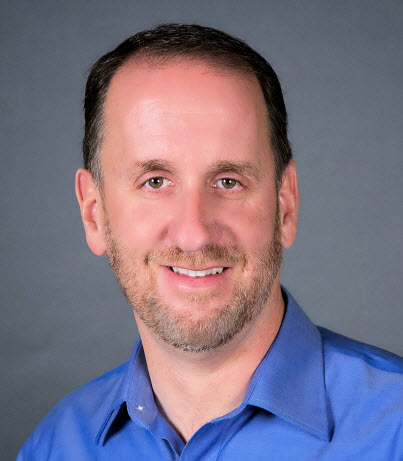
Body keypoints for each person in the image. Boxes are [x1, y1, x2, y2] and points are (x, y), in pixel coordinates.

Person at [17, 24, 402, 460]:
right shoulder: (56, 447)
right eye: (155, 181)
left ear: (286, 204)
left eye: (229, 181)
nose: (194, 234)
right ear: (94, 213)